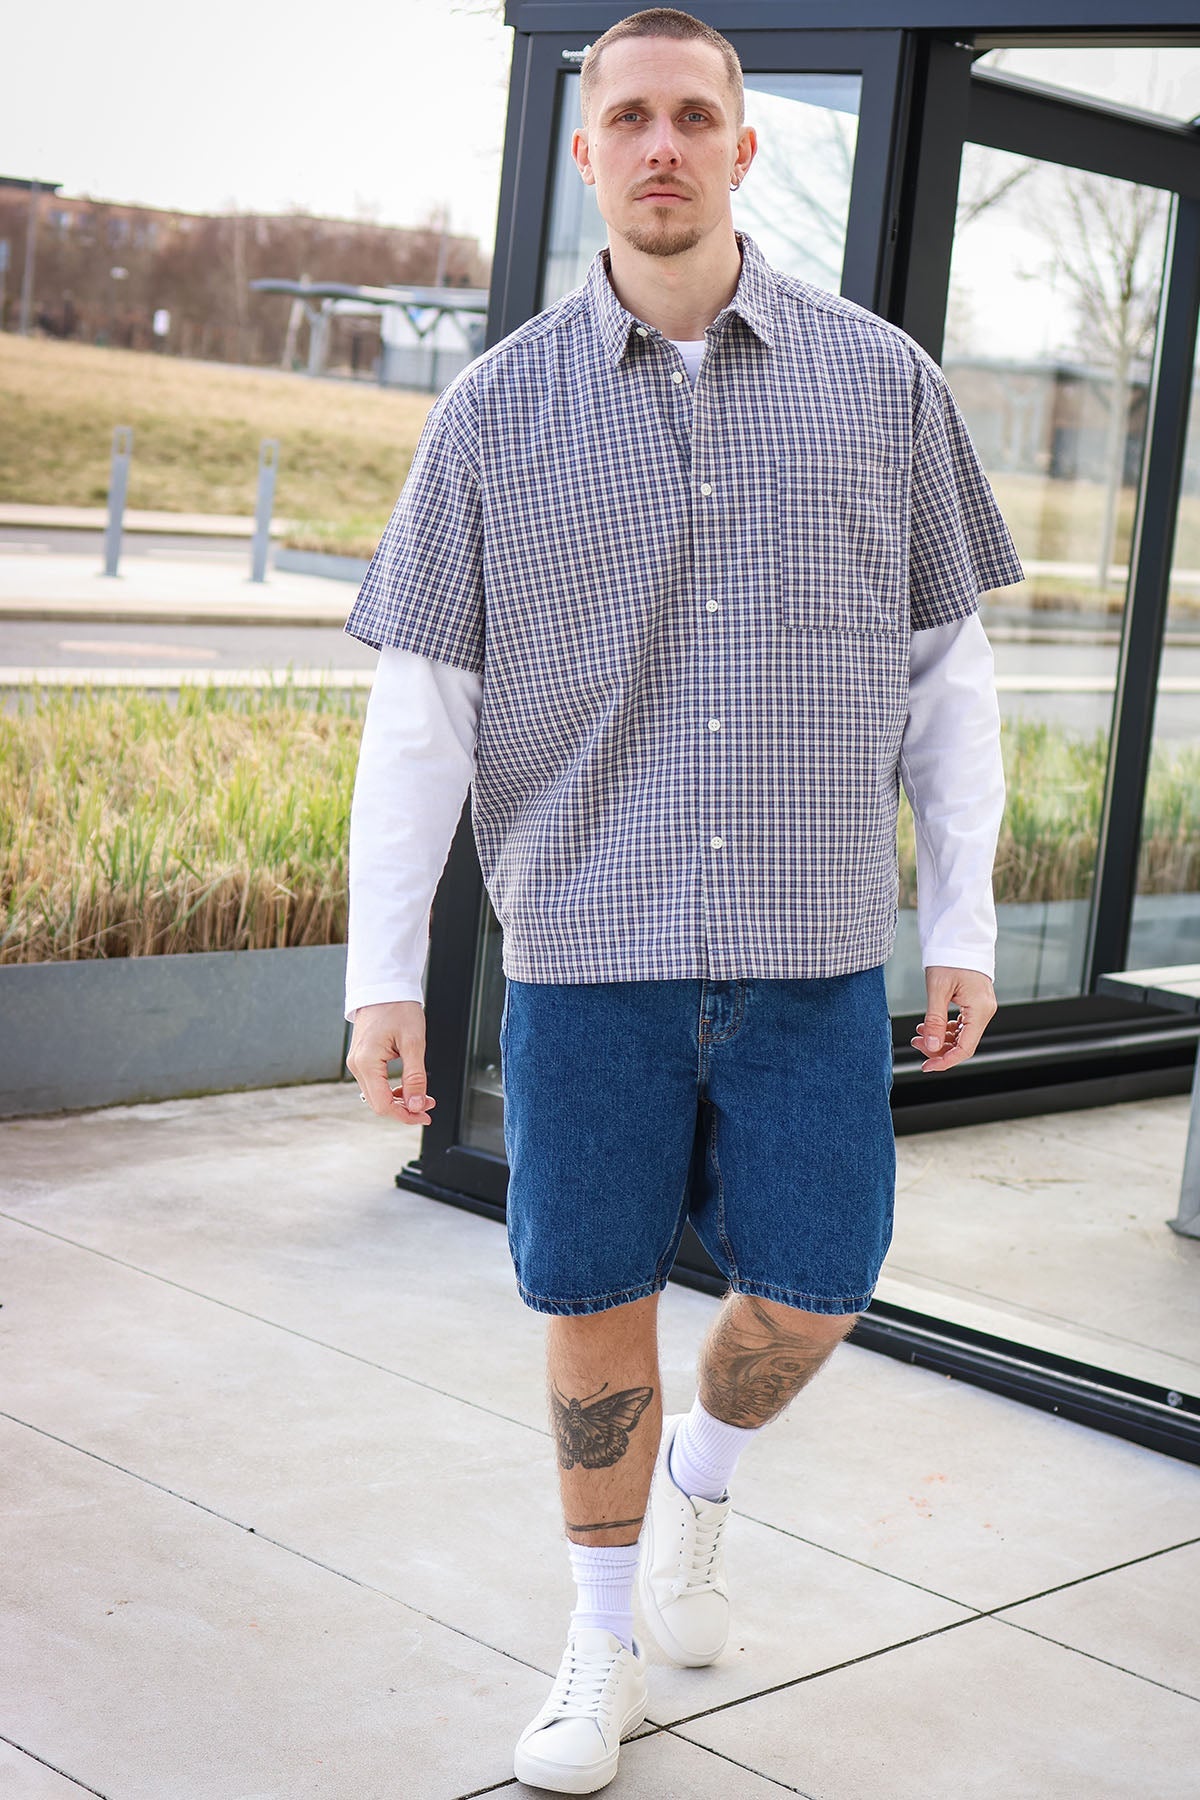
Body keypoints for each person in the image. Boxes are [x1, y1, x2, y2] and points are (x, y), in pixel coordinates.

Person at [343, 8, 1024, 1792]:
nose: (662, 143)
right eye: (629, 116)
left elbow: (950, 684)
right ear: (588, 154)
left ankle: (697, 1494)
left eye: (694, 116)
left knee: (820, 1285)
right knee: (590, 1298)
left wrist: (963, 925)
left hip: (813, 958)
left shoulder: (883, 385)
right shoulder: (494, 414)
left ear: (742, 145)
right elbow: (419, 718)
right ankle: (598, 1639)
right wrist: (383, 974)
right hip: (588, 957)